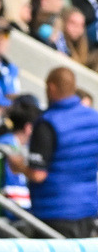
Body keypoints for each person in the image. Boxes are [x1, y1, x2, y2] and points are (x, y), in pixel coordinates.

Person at [9, 67, 98, 238]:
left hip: (54, 212)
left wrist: (19, 166)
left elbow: (38, 174)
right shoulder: (93, 118)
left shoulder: (47, 123)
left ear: (51, 87)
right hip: (88, 210)